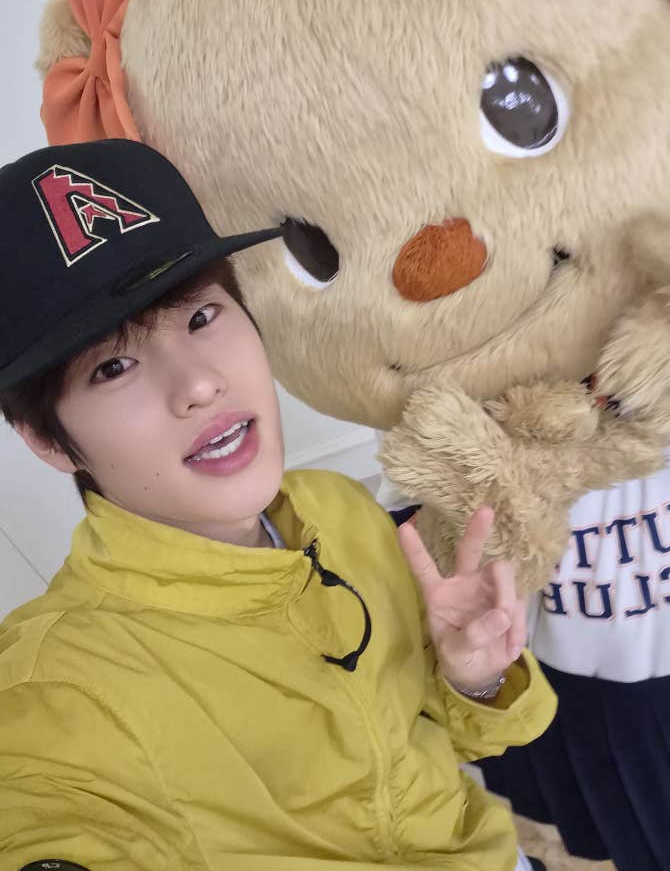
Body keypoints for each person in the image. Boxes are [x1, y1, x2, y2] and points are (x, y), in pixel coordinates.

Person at [0, 139, 556, 871]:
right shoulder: (54, 691)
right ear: (48, 441)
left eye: (201, 317)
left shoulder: (339, 510)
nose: (199, 384)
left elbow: (436, 741)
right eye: (114, 366)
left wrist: (471, 675)